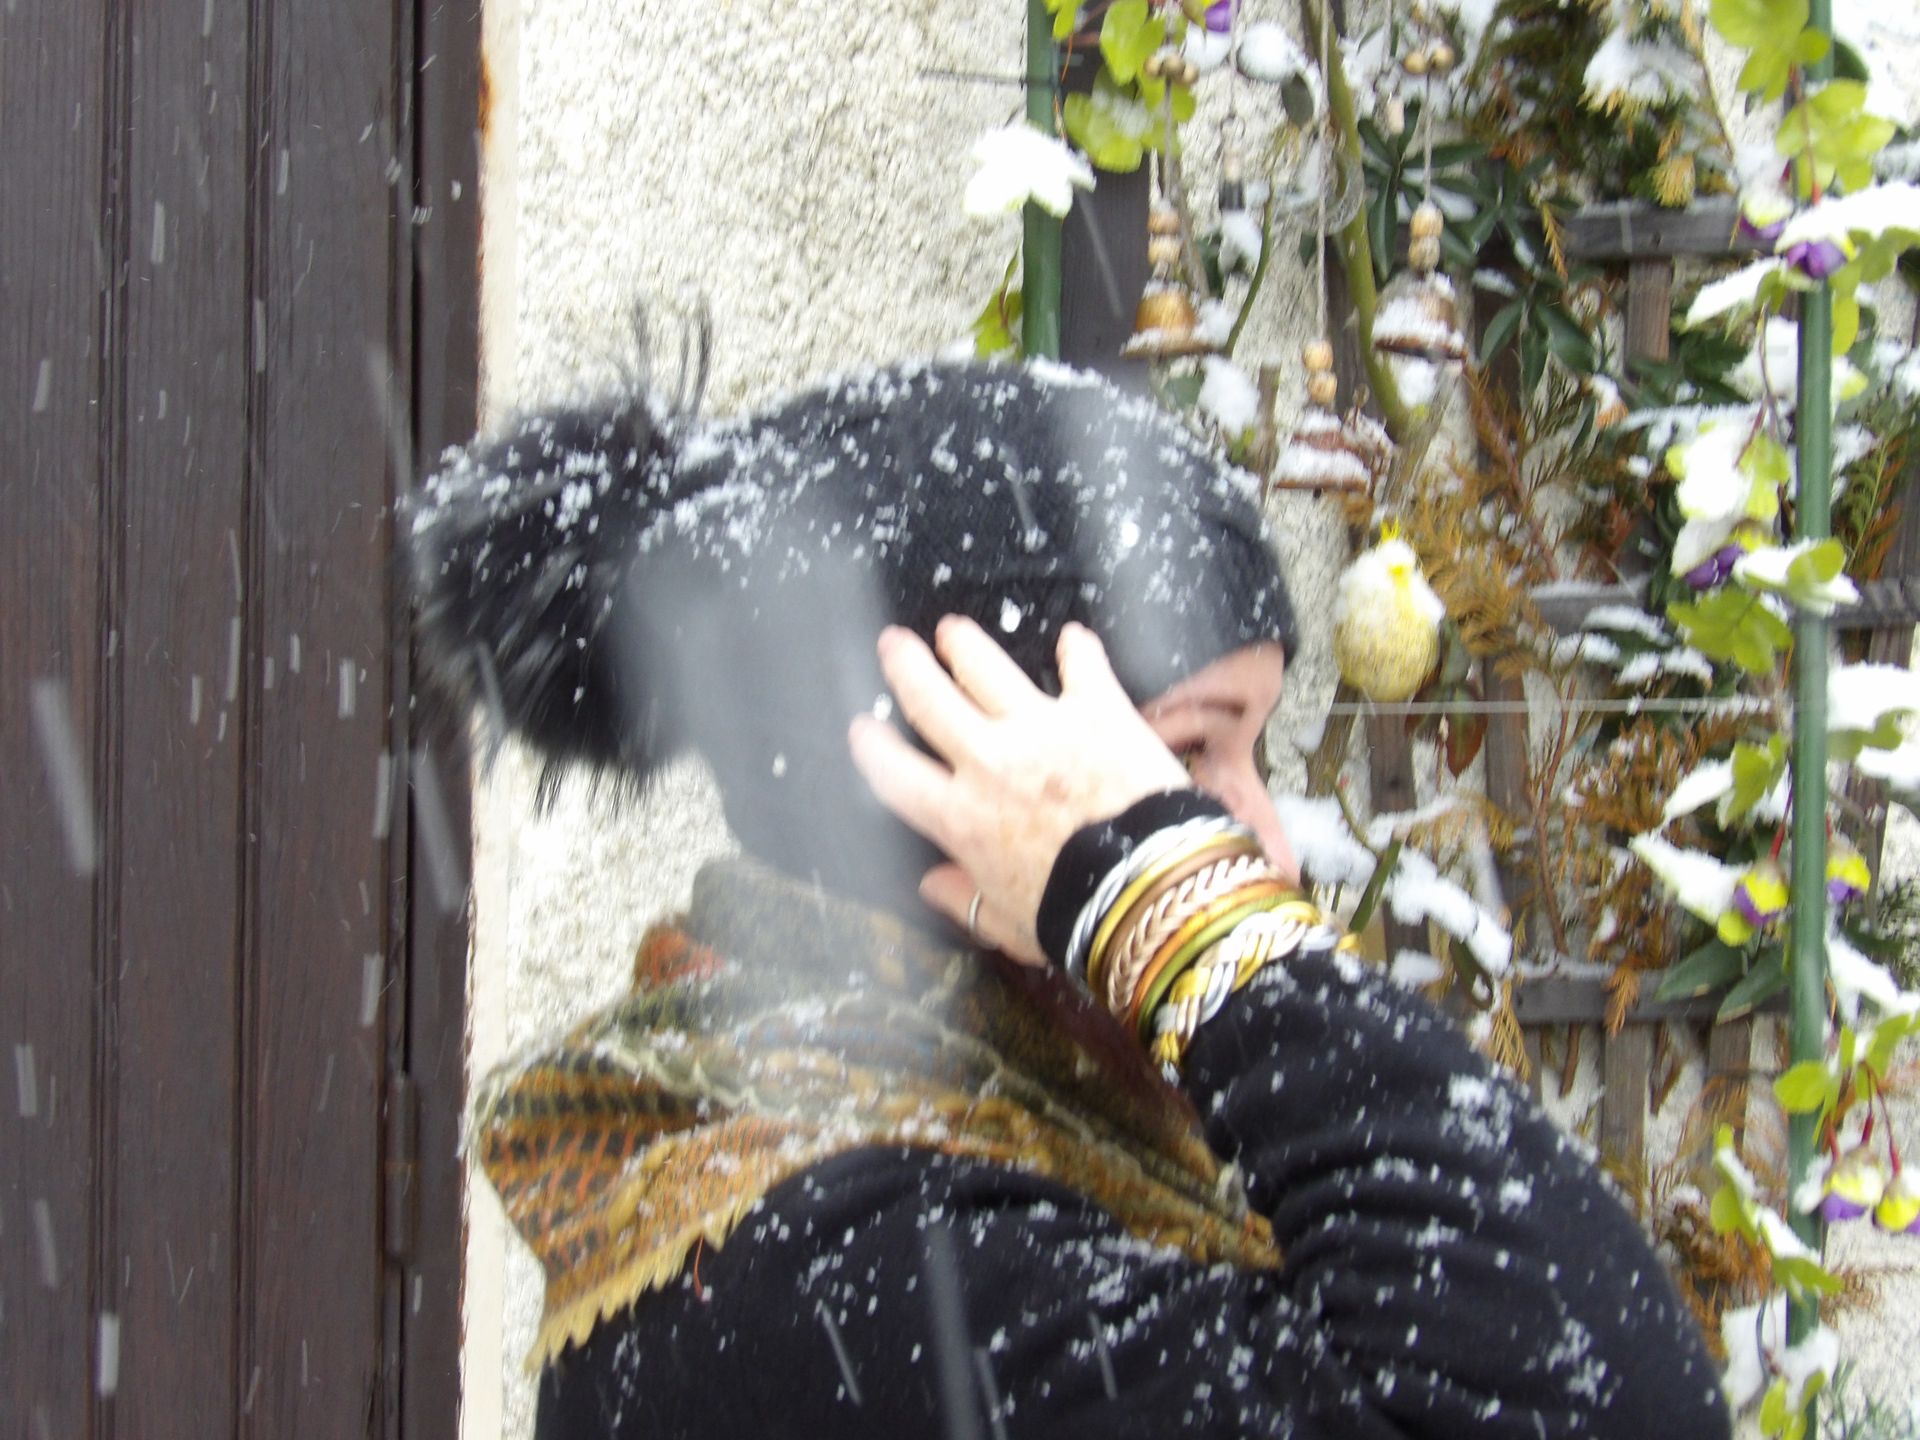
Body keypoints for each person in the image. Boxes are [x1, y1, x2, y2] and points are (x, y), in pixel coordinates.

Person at [411, 357, 1731, 1438]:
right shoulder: (845, 1277)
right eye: (1179, 756)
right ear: (951, 791)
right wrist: (1161, 902)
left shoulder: (914, 1166)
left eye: (1247, 756)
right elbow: (1592, 1404)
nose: (1255, 843)